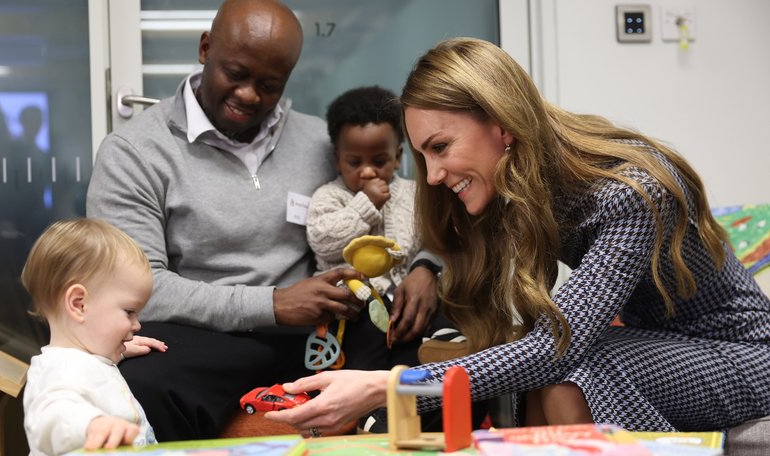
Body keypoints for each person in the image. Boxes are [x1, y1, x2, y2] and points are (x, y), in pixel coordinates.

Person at [266, 37, 770, 437]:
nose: (434, 174)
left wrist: (390, 386)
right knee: (555, 362)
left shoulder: (631, 192)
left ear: (502, 124)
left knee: (577, 363)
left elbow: (557, 346)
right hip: (658, 342)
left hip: (744, 354)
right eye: (422, 157)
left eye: (440, 147)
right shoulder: (521, 185)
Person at [86, 0, 439, 441]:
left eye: (270, 84)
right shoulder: (135, 152)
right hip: (205, 335)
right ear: (205, 49)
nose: (250, 95)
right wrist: (273, 304)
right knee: (141, 385)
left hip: (322, 330)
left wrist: (427, 265)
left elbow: (407, 207)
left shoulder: (322, 142)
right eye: (235, 74)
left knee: (434, 357)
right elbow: (138, 291)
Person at [307, 86, 446, 370]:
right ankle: (371, 409)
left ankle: (445, 346)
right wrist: (365, 204)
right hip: (354, 306)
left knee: (432, 320)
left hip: (406, 300)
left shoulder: (415, 194)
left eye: (380, 161)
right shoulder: (328, 196)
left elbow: (437, 240)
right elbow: (323, 240)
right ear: (337, 159)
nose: (368, 171)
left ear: (397, 157)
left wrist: (425, 269)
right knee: (365, 348)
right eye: (354, 162)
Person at [21, 218, 168, 454]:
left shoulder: (85, 358)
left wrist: (119, 349)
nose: (137, 324)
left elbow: (92, 376)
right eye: (129, 312)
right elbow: (53, 414)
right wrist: (91, 424)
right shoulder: (57, 370)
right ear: (79, 305)